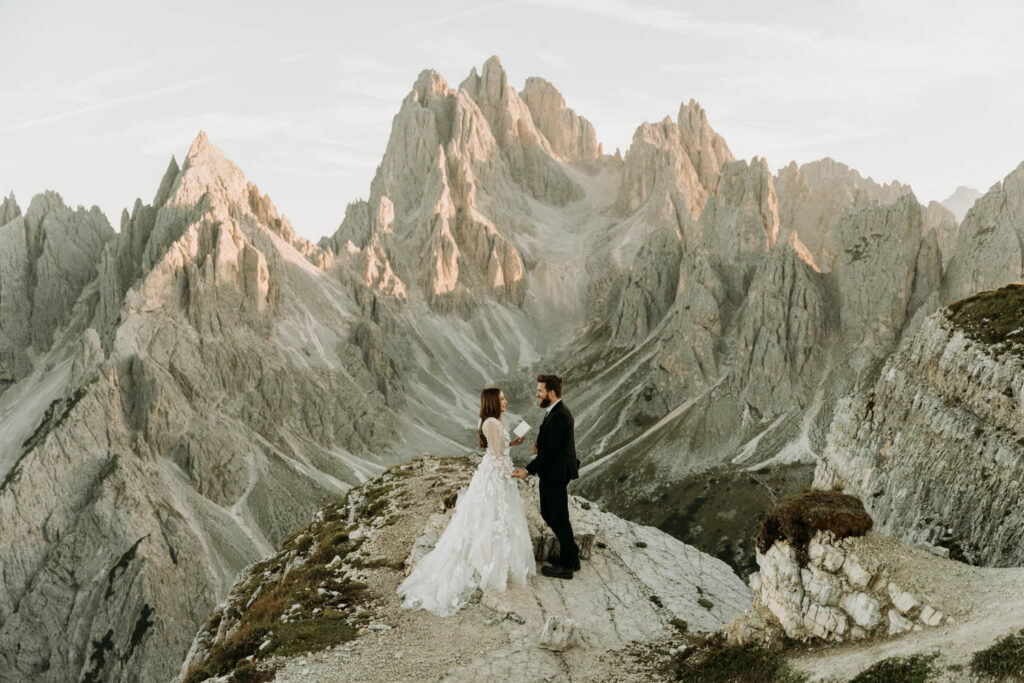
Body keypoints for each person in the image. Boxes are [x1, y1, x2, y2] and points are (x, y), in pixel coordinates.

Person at [397, 387, 536, 616]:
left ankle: (493, 558)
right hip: (495, 475)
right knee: (491, 516)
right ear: (493, 401)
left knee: (494, 517)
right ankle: (487, 561)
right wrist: (509, 474)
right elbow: (496, 453)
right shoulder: (491, 422)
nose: (505, 401)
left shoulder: (494, 421)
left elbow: (500, 447)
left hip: (496, 474)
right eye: (501, 399)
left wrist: (514, 442)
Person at [512, 374, 580, 579]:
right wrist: (539, 447)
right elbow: (552, 444)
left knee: (558, 517)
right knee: (551, 514)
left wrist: (528, 470)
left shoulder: (559, 415)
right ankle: (572, 556)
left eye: (540, 390)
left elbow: (551, 450)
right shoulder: (555, 411)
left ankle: (568, 566)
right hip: (553, 470)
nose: (537, 394)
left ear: (551, 392)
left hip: (556, 472)